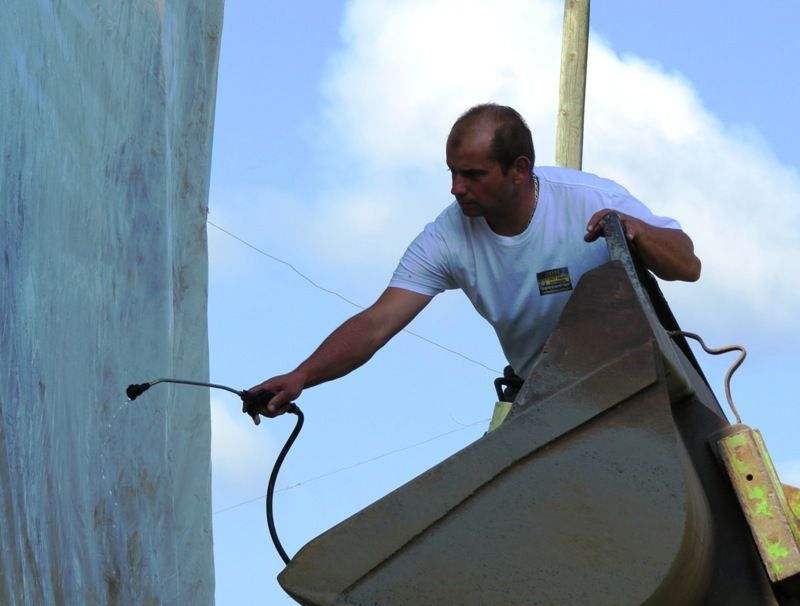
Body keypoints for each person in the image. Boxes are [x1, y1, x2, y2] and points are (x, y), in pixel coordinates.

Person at [246, 103, 700, 423]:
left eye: (473, 175)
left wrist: (636, 231)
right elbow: (376, 323)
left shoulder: (590, 200)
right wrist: (302, 375)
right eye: (452, 172)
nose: (456, 188)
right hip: (540, 396)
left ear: (519, 169)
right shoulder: (447, 237)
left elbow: (687, 264)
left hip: (639, 383)